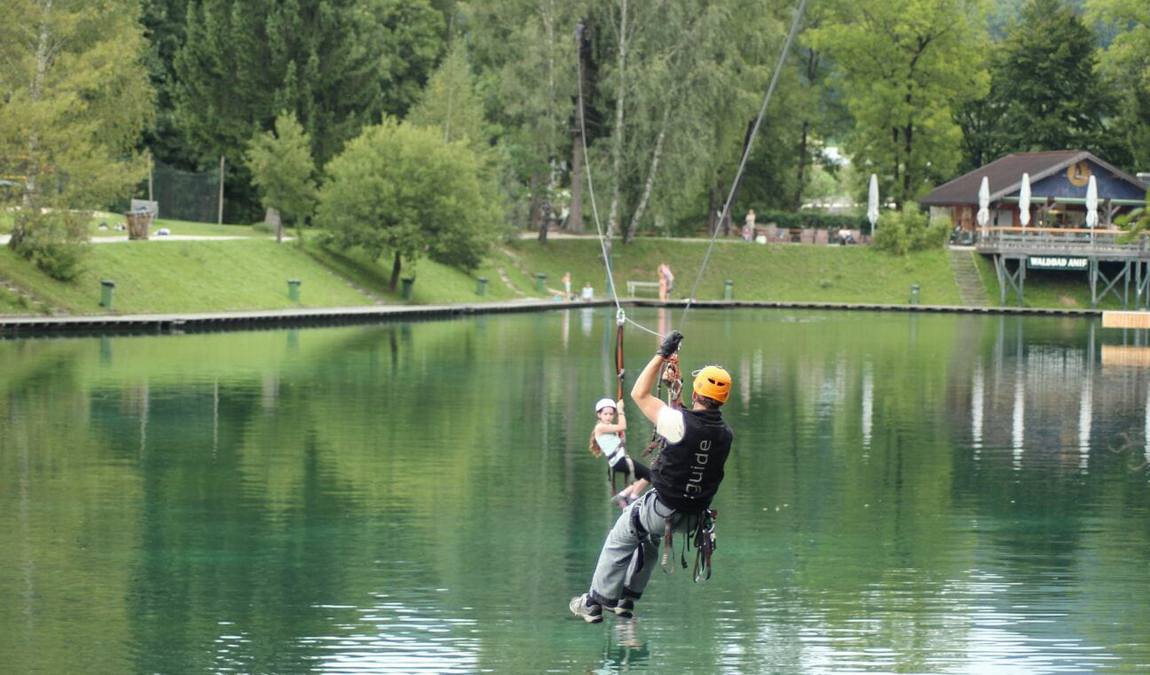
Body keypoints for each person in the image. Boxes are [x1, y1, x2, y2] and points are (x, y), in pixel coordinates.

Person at [570, 330, 733, 623]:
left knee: (621, 535)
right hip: (693, 518)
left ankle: (595, 601)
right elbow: (692, 427)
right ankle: (626, 601)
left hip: (663, 507)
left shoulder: (677, 421)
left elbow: (639, 394)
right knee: (647, 538)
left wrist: (661, 354)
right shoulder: (725, 434)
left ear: (696, 394)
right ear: (723, 400)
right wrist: (676, 392)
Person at [589, 398, 652, 508]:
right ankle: (633, 497)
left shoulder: (608, 429)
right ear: (599, 415)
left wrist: (620, 436)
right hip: (620, 461)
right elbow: (623, 426)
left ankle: (622, 495)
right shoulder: (600, 427)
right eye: (605, 414)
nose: (608, 416)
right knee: (650, 475)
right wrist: (620, 410)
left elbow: (619, 433)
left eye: (611, 414)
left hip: (619, 461)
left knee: (642, 478)